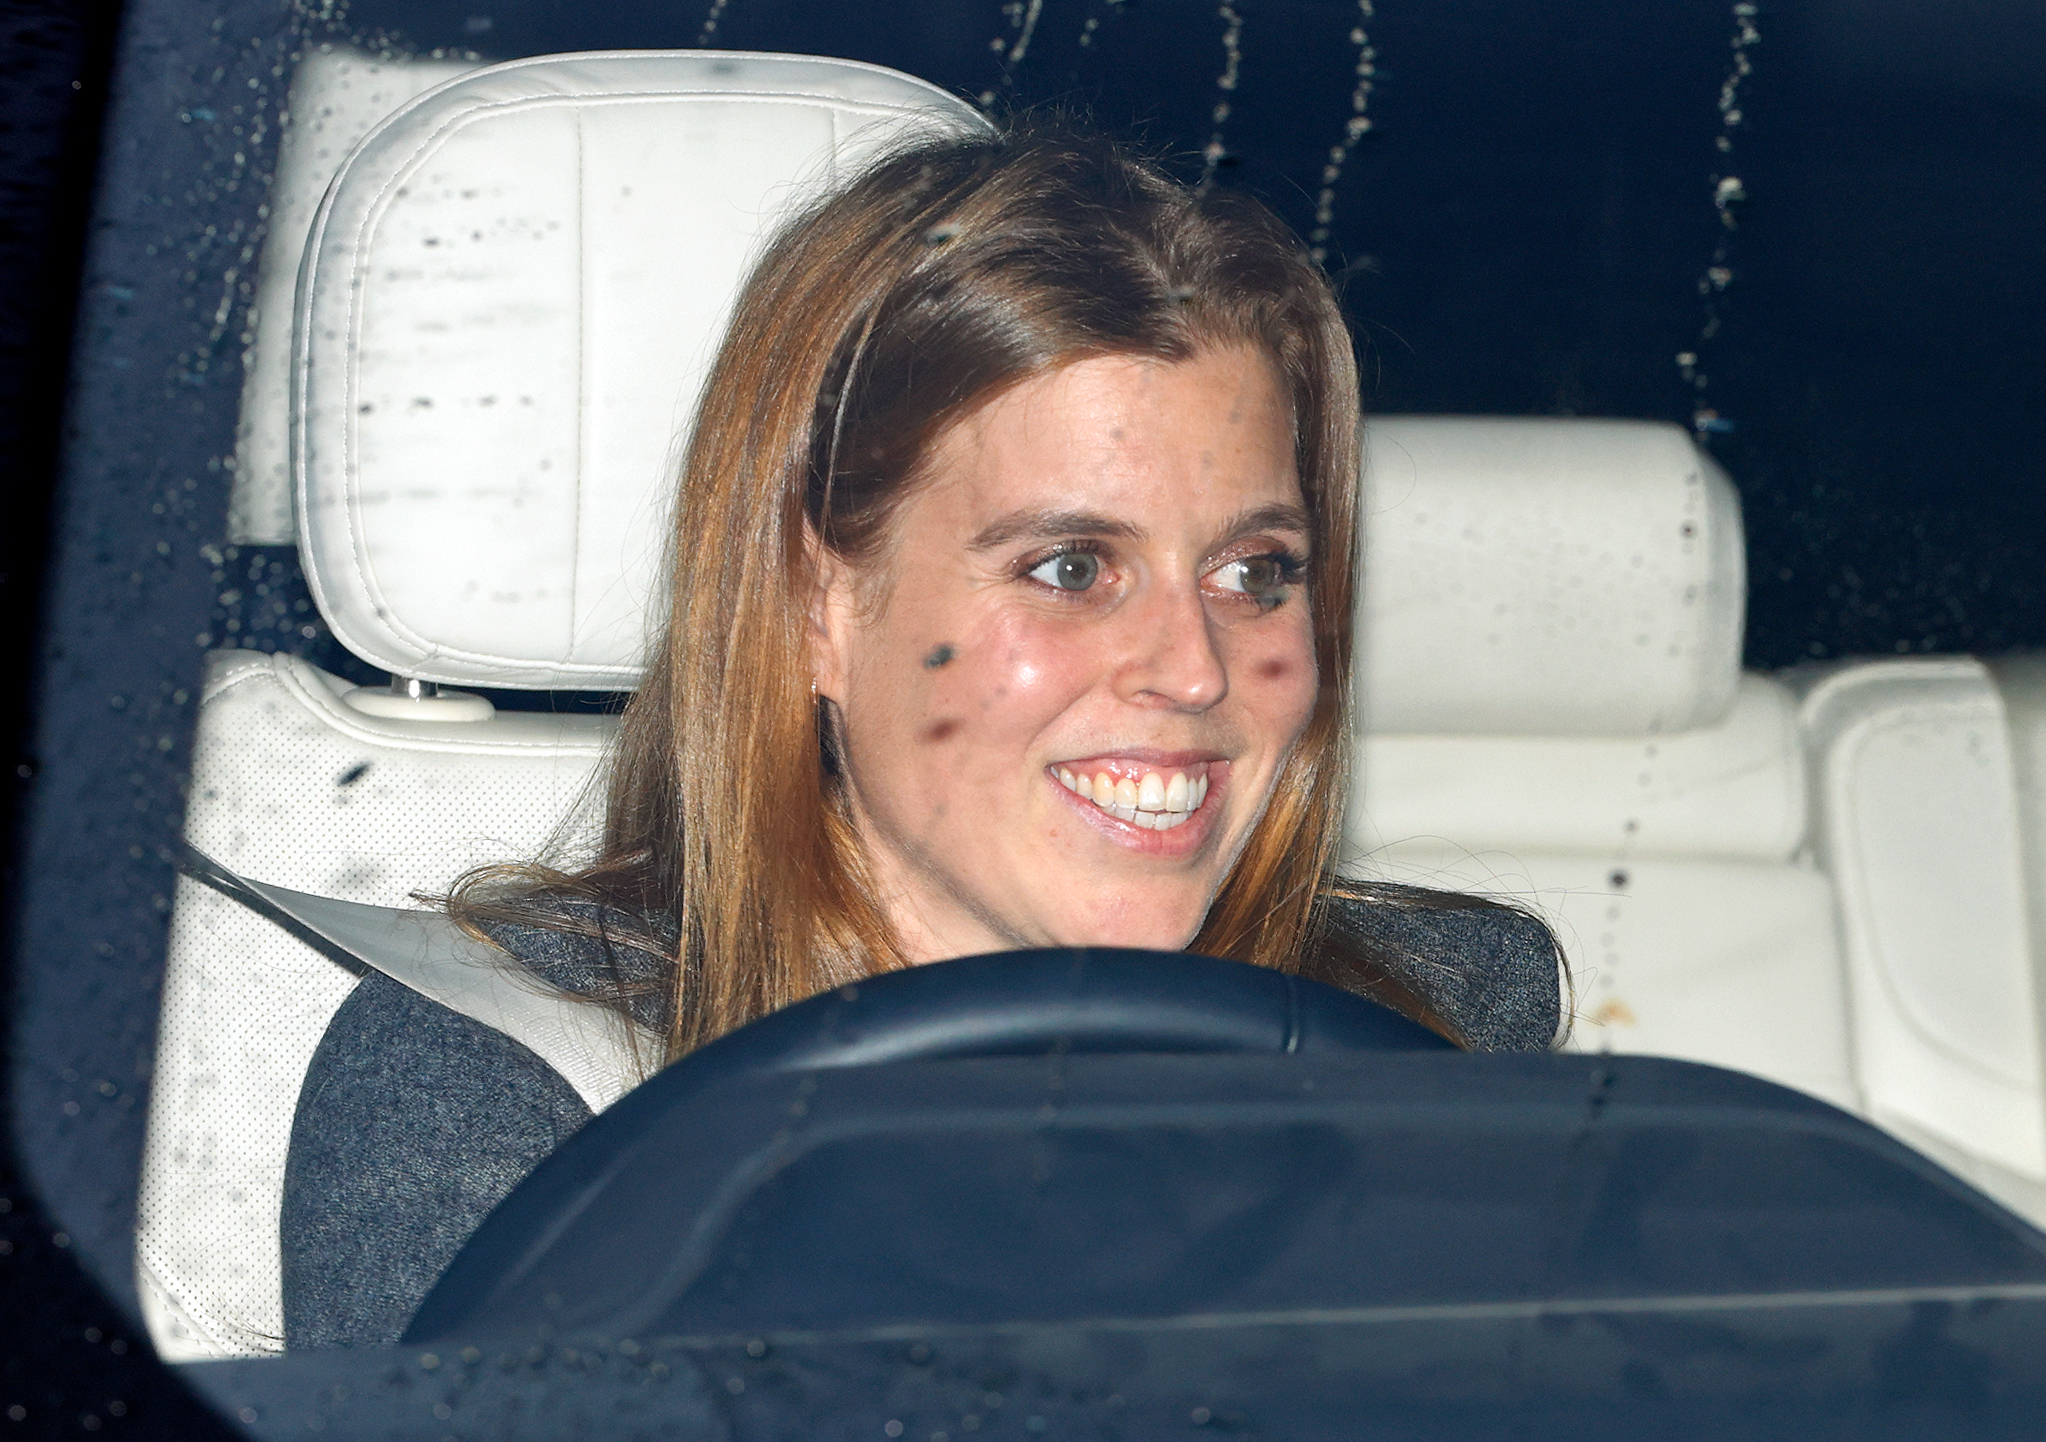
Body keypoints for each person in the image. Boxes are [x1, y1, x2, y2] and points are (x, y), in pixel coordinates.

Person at [280, 121, 1562, 1349]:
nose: (1194, 667)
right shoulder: (513, 1086)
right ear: (816, 609)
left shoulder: (1432, 1028)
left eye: (1254, 572)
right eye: (1071, 567)